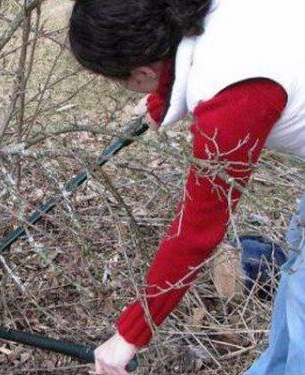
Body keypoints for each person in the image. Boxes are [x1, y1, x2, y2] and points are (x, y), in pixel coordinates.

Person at [68, 0, 305, 373]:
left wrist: (130, 334)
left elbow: (196, 233)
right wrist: (165, 97)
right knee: (295, 280)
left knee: (304, 301)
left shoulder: (235, 89)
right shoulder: (205, 13)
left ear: (142, 71)